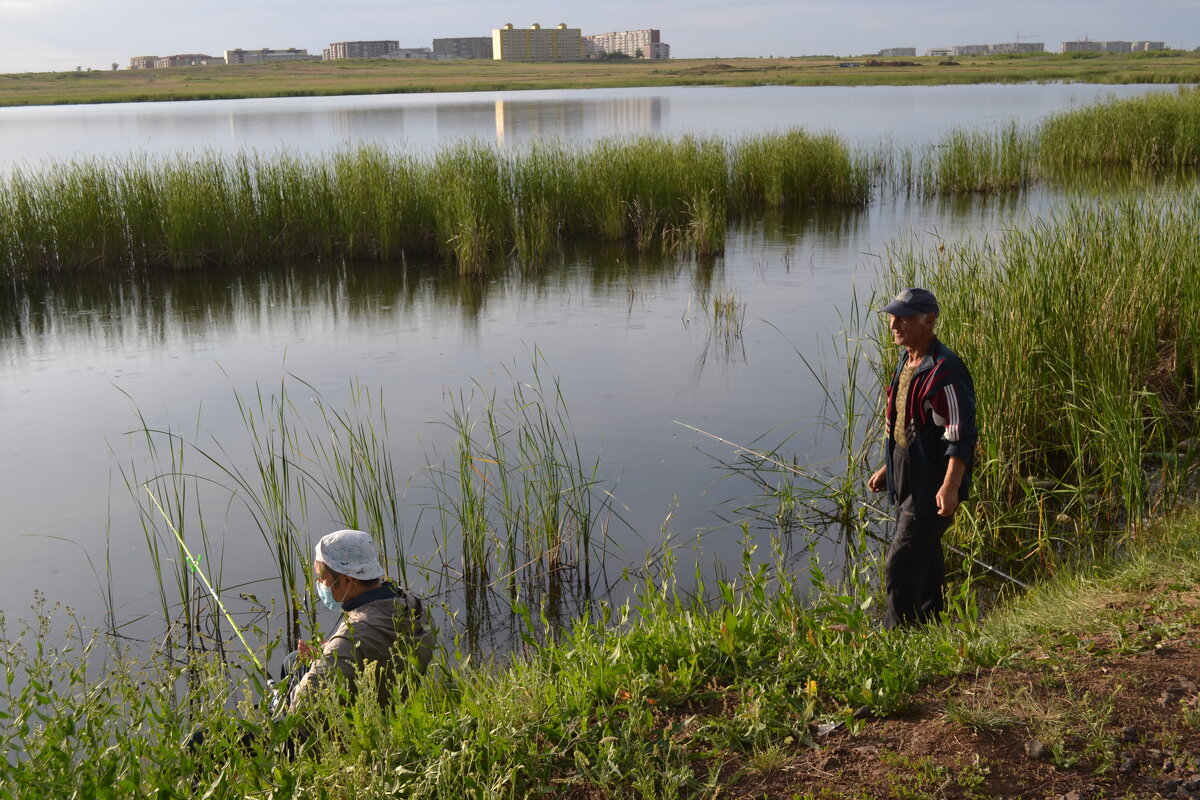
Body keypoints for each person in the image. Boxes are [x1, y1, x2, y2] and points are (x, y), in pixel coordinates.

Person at [867, 288, 976, 628]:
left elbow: (962, 437)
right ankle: (929, 627)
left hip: (932, 482)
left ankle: (898, 637)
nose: (893, 323)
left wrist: (950, 487)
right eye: (892, 315)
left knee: (898, 566)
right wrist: (889, 466)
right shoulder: (908, 360)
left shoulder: (945, 371)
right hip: (906, 472)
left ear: (929, 320)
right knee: (924, 555)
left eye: (903, 317)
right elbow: (906, 424)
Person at [282, 529, 435, 713]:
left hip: (366, 717)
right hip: (399, 696)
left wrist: (330, 655)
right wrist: (327, 653)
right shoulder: (412, 602)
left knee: (292, 668)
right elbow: (380, 650)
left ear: (347, 580)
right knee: (294, 659)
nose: (320, 584)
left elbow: (299, 709)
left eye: (322, 577)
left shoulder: (350, 638)